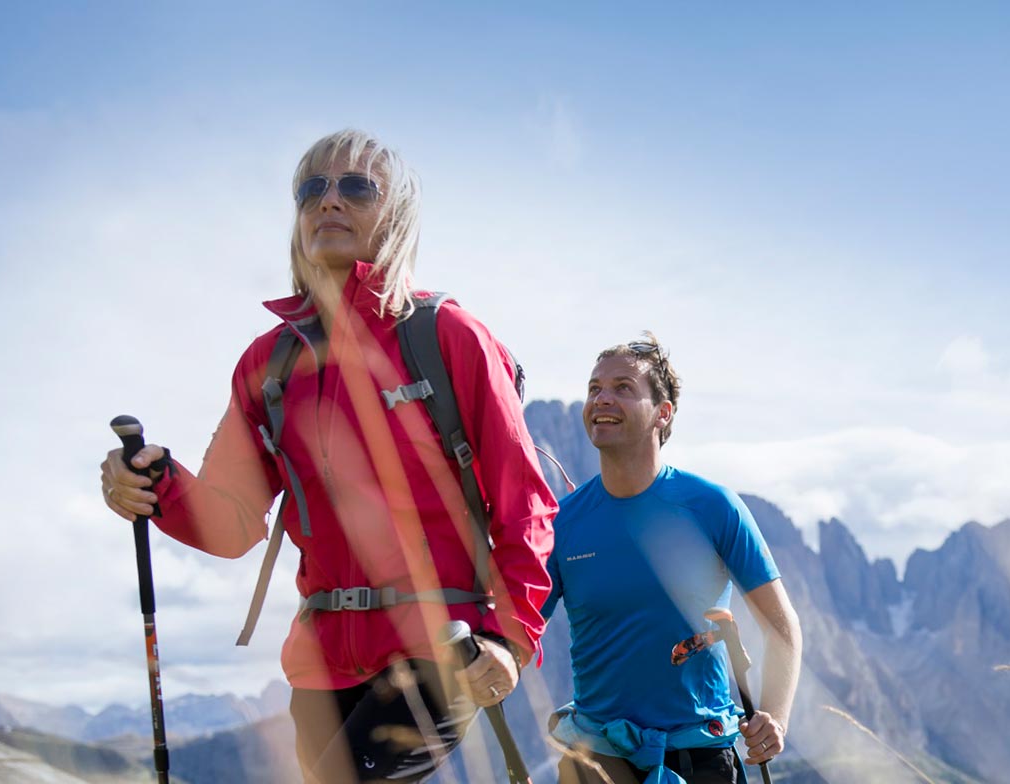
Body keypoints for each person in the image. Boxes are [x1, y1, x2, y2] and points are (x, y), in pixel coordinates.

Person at [98, 129, 555, 783]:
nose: (328, 202)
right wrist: (154, 484)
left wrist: (512, 642)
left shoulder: (450, 337)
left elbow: (526, 503)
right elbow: (231, 523)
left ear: (395, 215)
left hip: (440, 649)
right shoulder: (270, 364)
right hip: (318, 661)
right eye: (311, 189)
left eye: (355, 188)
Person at [545, 334, 803, 784]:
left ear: (663, 413)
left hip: (700, 756)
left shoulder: (712, 506)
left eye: (623, 387)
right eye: (594, 388)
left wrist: (774, 717)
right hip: (595, 760)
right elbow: (519, 629)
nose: (601, 399)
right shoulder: (562, 522)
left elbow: (781, 625)